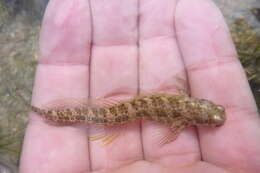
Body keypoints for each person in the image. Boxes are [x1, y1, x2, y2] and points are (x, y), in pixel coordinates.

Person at [19, 0, 260, 172]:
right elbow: (171, 130)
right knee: (95, 115)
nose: (214, 115)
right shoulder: (183, 118)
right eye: (213, 114)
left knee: (96, 116)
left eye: (213, 117)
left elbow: (176, 102)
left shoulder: (186, 101)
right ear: (201, 107)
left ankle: (47, 113)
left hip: (122, 112)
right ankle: (48, 113)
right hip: (122, 112)